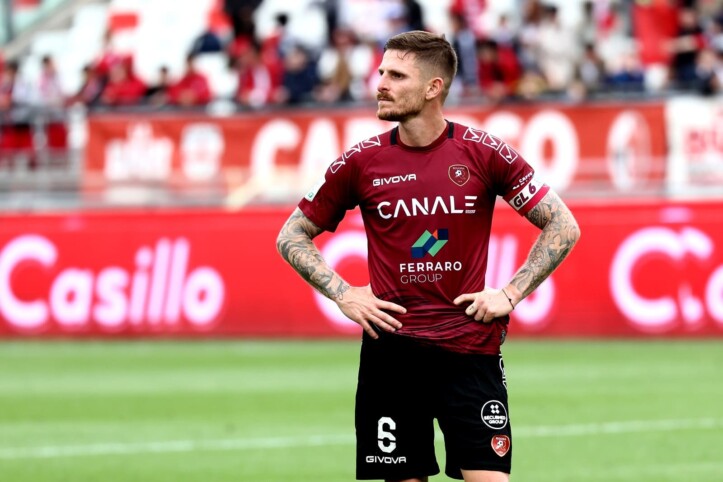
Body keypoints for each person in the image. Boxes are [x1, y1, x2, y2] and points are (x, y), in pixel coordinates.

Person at [276, 30, 580, 482]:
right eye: (382, 72)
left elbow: (563, 225)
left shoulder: (484, 153)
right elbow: (292, 234)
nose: (381, 84)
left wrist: (510, 294)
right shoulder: (360, 162)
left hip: (470, 351)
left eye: (397, 76)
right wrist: (343, 293)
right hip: (391, 357)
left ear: (433, 87)